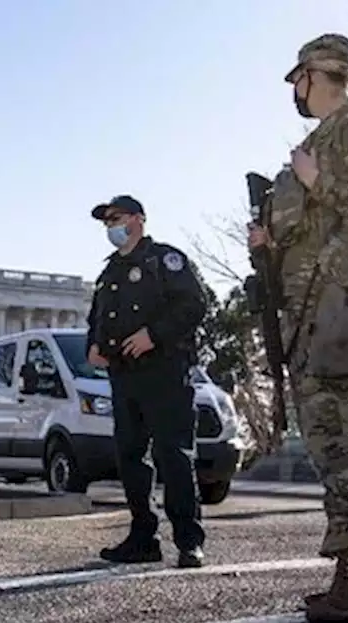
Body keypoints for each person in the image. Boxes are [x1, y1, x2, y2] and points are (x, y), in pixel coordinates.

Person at [247, 34, 348, 623]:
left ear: (320, 74)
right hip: (304, 316)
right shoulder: (310, 147)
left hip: (339, 306)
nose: (294, 90)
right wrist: (267, 243)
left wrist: (317, 183)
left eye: (298, 78)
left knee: (331, 440)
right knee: (340, 437)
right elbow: (302, 235)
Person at [85, 195, 209, 569]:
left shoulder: (164, 261)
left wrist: (153, 335)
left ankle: (189, 540)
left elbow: (193, 305)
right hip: (124, 376)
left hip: (165, 371)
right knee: (130, 458)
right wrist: (93, 345)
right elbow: (97, 318)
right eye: (106, 222)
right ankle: (143, 537)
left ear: (138, 219)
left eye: (116, 219)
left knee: (173, 455)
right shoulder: (109, 273)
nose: (111, 227)